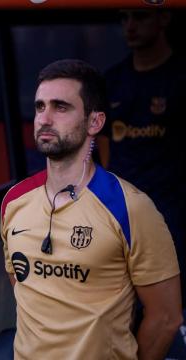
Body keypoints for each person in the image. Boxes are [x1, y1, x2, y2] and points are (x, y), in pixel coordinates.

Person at [0, 59, 182, 359]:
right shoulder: (14, 201)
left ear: (95, 122)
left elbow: (166, 318)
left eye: (60, 107)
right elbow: (25, 293)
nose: (45, 118)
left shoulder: (131, 206)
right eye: (39, 106)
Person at [97, 9, 186, 302]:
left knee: (171, 301)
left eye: (141, 17)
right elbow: (104, 142)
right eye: (124, 18)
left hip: (173, 209)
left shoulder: (180, 76)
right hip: (123, 212)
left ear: (164, 19)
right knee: (123, 299)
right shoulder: (113, 80)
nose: (130, 26)